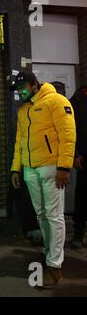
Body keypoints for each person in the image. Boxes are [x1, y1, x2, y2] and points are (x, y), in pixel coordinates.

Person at [9, 71, 76, 288]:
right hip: (30, 169)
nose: (20, 92)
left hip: (51, 168)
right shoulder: (23, 111)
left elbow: (67, 134)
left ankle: (55, 265)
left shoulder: (56, 101)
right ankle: (49, 256)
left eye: (22, 88)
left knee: (54, 216)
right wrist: (15, 169)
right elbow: (19, 141)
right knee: (42, 215)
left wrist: (64, 166)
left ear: (34, 84)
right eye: (18, 90)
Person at [69, 85, 87, 248]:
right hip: (83, 157)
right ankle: (79, 230)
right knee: (82, 194)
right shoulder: (75, 101)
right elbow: (68, 131)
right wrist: (74, 154)